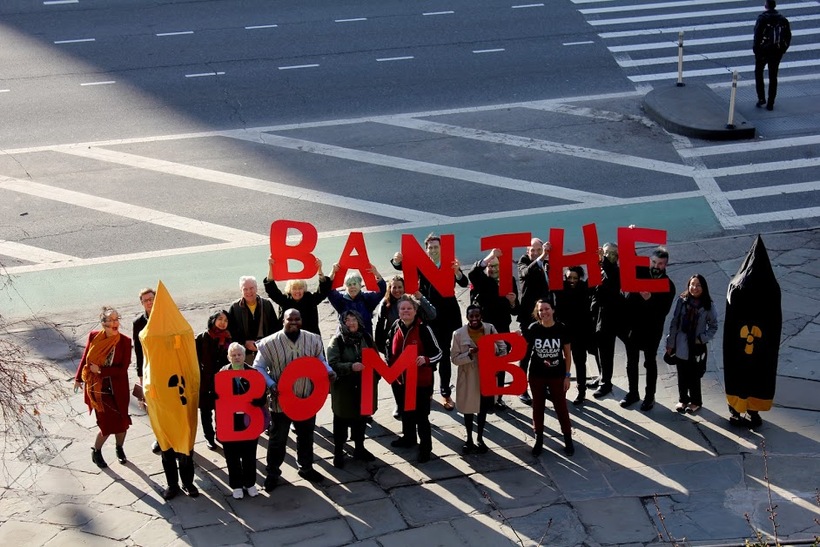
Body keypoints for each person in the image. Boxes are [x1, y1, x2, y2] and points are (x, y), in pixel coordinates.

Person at [253, 309, 337, 491]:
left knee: (306, 436)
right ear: (283, 320)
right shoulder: (269, 343)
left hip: (307, 398)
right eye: (289, 319)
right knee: (278, 440)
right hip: (281, 400)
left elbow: (320, 359)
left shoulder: (313, 339)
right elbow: (258, 367)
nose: (293, 322)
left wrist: (328, 371)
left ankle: (306, 468)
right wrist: (270, 383)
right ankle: (273, 473)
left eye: (297, 319)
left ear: (301, 320)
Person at [391, 233, 468, 412]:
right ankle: (428, 392)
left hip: (448, 315)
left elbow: (464, 282)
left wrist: (457, 271)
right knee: (430, 354)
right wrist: (396, 260)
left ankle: (445, 392)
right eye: (430, 248)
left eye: (436, 247)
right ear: (426, 250)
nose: (433, 250)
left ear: (441, 249)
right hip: (429, 315)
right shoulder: (421, 264)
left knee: (445, 355)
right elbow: (402, 266)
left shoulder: (450, 262)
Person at [74, 306, 133, 468]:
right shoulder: (94, 337)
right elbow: (86, 356)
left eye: (117, 319)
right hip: (98, 389)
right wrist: (78, 377)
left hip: (117, 388)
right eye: (111, 320)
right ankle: (96, 451)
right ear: (103, 324)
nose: (115, 323)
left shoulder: (125, 341)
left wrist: (100, 370)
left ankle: (119, 448)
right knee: (106, 425)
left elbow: (122, 369)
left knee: (122, 422)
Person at [387, 295, 442, 464]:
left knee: (421, 416)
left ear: (415, 310)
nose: (405, 311)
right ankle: (408, 439)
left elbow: (438, 353)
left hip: (421, 382)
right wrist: (390, 365)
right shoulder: (395, 326)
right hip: (401, 380)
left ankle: (425, 448)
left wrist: (426, 360)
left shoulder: (424, 328)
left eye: (409, 308)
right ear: (398, 311)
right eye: (402, 309)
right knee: (406, 413)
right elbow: (388, 347)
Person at [374, 275, 437, 419]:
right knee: (397, 380)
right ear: (390, 289)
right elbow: (379, 328)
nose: (397, 290)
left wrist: (420, 297)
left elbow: (432, 314)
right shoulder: (385, 304)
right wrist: (384, 349)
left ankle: (423, 404)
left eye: (400, 287)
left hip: (416, 346)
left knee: (420, 379)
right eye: (394, 287)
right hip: (396, 347)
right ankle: (400, 405)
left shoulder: (413, 302)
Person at [621, 248, 676, 411]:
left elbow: (663, 312)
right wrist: (630, 239)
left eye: (660, 264)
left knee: (649, 362)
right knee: (631, 362)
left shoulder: (668, 285)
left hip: (651, 330)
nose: (656, 266)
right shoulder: (642, 272)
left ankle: (649, 396)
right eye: (654, 262)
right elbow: (630, 259)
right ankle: (632, 393)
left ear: (665, 265)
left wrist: (650, 299)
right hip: (633, 328)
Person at [450, 305, 507, 454]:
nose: (474, 319)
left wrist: (496, 363)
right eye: (471, 316)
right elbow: (454, 359)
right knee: (468, 410)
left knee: (483, 409)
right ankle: (468, 439)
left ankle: (480, 438)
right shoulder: (458, 334)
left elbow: (503, 348)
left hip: (486, 375)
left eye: (477, 316)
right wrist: (468, 355)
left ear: (481, 316)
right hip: (468, 376)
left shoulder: (490, 329)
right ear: (467, 317)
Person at [468, 248, 519, 411]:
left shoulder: (508, 280)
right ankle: (484, 396)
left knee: (501, 365)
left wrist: (512, 302)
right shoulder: (482, 280)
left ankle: (498, 398)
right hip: (483, 331)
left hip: (502, 329)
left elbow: (515, 310)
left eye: (496, 266)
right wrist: (490, 256)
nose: (493, 269)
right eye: (490, 266)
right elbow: (473, 273)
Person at [522, 300, 574, 457]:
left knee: (561, 407)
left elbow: (567, 354)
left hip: (557, 375)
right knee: (538, 407)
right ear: (537, 313)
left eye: (547, 309)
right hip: (537, 375)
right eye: (541, 310)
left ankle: (568, 439)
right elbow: (524, 353)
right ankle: (538, 440)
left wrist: (567, 376)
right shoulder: (533, 329)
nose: (544, 312)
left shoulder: (561, 328)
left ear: (553, 310)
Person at [327, 311, 378, 468]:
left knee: (361, 419)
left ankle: (359, 448)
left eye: (354, 319)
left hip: (364, 386)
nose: (351, 323)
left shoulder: (366, 337)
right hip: (344, 389)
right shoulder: (337, 341)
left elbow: (375, 357)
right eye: (347, 320)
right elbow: (332, 364)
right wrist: (350, 366)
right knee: (341, 420)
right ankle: (338, 452)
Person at [216, 343, 265, 499]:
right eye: (233, 355)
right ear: (228, 357)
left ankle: (250, 484)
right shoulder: (222, 373)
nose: (237, 357)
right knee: (232, 454)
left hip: (248, 418)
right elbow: (218, 397)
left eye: (239, 354)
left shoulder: (254, 373)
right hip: (230, 419)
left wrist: (260, 401)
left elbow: (262, 394)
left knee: (249, 452)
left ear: (244, 356)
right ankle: (236, 485)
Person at [665, 275, 719, 414]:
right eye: (692, 285)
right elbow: (675, 322)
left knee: (695, 375)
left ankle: (696, 401)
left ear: (703, 288)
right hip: (681, 344)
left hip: (697, 346)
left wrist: (702, 338)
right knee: (682, 373)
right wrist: (670, 343)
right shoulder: (682, 301)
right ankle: (683, 399)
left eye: (698, 285)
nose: (694, 288)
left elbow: (713, 326)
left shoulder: (708, 305)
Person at [516, 238, 551, 404]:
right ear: (527, 250)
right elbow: (526, 273)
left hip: (545, 316)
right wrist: (542, 256)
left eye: (539, 250)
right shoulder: (523, 262)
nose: (536, 253)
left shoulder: (547, 262)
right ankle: (522, 389)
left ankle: (544, 387)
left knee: (544, 353)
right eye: (533, 250)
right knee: (526, 353)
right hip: (528, 317)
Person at [554, 266, 595, 405]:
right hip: (563, 331)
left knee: (580, 362)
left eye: (575, 278)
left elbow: (594, 280)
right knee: (560, 362)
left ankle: (581, 391)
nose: (572, 280)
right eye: (569, 277)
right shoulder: (560, 288)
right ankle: (560, 391)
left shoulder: (584, 288)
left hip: (579, 332)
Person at [264, 256, 332, 336]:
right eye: (294, 288)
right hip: (288, 339)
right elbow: (271, 288)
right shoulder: (285, 300)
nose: (297, 291)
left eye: (300, 288)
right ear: (289, 289)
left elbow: (323, 290)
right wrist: (271, 266)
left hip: (309, 339)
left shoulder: (310, 299)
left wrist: (319, 269)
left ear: (304, 289)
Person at [590, 243, 624, 398]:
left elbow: (610, 276)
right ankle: (602, 375)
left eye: (612, 253)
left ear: (617, 256)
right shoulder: (602, 268)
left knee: (606, 349)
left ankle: (606, 383)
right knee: (599, 349)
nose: (608, 256)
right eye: (606, 252)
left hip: (610, 316)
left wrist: (601, 259)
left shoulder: (615, 270)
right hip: (598, 314)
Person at [195, 310, 231, 450]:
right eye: (220, 319)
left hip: (222, 380)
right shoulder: (202, 337)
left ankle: (220, 434)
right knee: (205, 412)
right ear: (213, 320)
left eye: (226, 320)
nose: (223, 323)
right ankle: (209, 437)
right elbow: (195, 359)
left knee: (221, 410)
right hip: (205, 380)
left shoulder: (228, 338)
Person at [132, 287, 161, 454]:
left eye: (151, 299)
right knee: (152, 406)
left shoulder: (165, 316)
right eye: (146, 300)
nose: (149, 302)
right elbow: (138, 351)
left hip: (166, 368)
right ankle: (159, 437)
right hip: (149, 369)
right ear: (142, 303)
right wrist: (141, 377)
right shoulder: (138, 323)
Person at [228, 276, 278, 365]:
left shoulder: (266, 304)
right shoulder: (235, 307)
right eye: (245, 289)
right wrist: (244, 342)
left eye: (251, 288)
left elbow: (274, 328)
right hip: (244, 354)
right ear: (241, 290)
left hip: (264, 351)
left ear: (256, 288)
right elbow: (231, 331)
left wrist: (262, 343)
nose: (249, 292)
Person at [327, 265, 387, 337]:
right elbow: (328, 290)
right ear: (345, 287)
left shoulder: (367, 299)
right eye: (349, 284)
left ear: (360, 285)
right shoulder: (340, 300)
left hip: (365, 339)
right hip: (345, 340)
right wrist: (333, 272)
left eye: (355, 284)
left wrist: (376, 273)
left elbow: (382, 291)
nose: (352, 286)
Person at [753, 0, 792, 111]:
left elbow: (757, 35)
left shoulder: (762, 18)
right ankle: (771, 102)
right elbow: (788, 36)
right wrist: (783, 49)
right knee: (773, 76)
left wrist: (756, 50)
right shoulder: (783, 19)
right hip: (777, 51)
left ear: (766, 6)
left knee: (759, 72)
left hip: (763, 51)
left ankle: (761, 98)